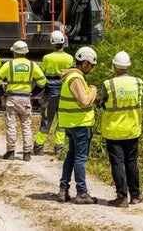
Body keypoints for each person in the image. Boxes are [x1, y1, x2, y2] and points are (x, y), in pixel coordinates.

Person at [99, 51, 143, 208]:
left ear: (114, 67)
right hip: (132, 129)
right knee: (132, 162)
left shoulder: (108, 84)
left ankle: (122, 197)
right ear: (129, 66)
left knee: (117, 163)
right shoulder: (138, 83)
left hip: (114, 131)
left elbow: (102, 102)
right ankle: (136, 195)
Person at [57, 46, 99, 204]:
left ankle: (63, 190)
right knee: (80, 158)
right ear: (86, 63)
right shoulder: (76, 78)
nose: (91, 69)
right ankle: (82, 193)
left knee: (71, 156)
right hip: (80, 124)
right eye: (92, 66)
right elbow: (85, 101)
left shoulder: (71, 76)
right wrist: (93, 90)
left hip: (71, 123)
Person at [0, 40, 46, 161]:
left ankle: (10, 152)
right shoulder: (32, 65)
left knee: (11, 125)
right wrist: (34, 92)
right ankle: (27, 154)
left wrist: (2, 93)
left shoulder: (9, 65)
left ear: (15, 53)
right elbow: (42, 81)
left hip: (12, 98)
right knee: (26, 126)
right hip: (26, 99)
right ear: (25, 52)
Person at [33, 30, 74, 155]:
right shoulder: (70, 58)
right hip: (65, 93)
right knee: (62, 121)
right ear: (63, 42)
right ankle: (59, 147)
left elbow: (42, 75)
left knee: (46, 119)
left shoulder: (47, 58)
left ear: (52, 42)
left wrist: (34, 91)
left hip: (50, 93)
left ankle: (39, 146)